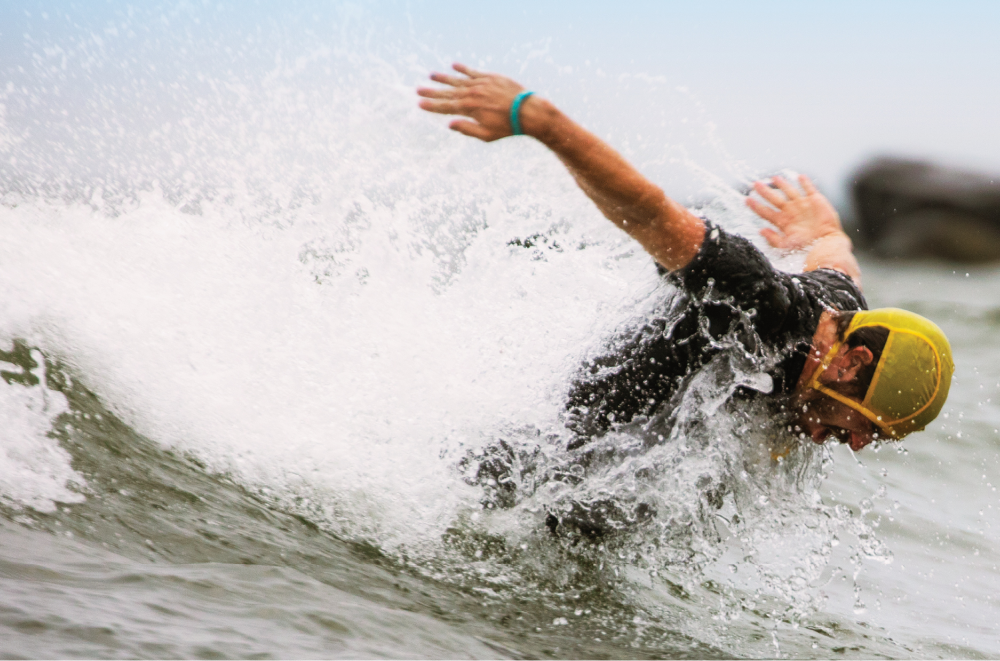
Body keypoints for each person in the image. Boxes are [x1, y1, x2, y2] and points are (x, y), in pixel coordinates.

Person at [417, 63, 953, 458]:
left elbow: (839, 259)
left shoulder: (844, 308)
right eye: (865, 425)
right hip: (546, 455)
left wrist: (824, 229)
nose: (856, 444)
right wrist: (541, 121)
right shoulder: (755, 299)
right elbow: (650, 213)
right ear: (852, 361)